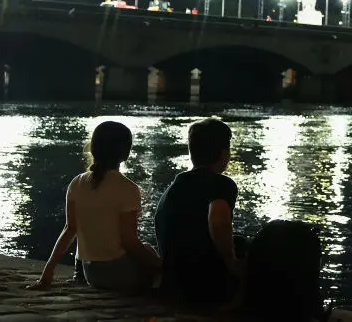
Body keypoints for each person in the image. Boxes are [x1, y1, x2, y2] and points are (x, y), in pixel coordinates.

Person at [30, 121, 161, 291]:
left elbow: (69, 230)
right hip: (120, 276)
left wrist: (47, 272)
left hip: (90, 273)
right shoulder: (128, 188)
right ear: (126, 153)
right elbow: (129, 242)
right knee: (150, 253)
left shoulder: (77, 183)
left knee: (147, 251)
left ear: (93, 148)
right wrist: (161, 265)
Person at [154, 118, 244, 310]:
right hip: (203, 289)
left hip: (172, 286)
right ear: (224, 153)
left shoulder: (174, 188)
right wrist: (232, 263)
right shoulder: (222, 184)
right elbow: (218, 220)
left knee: (237, 241)